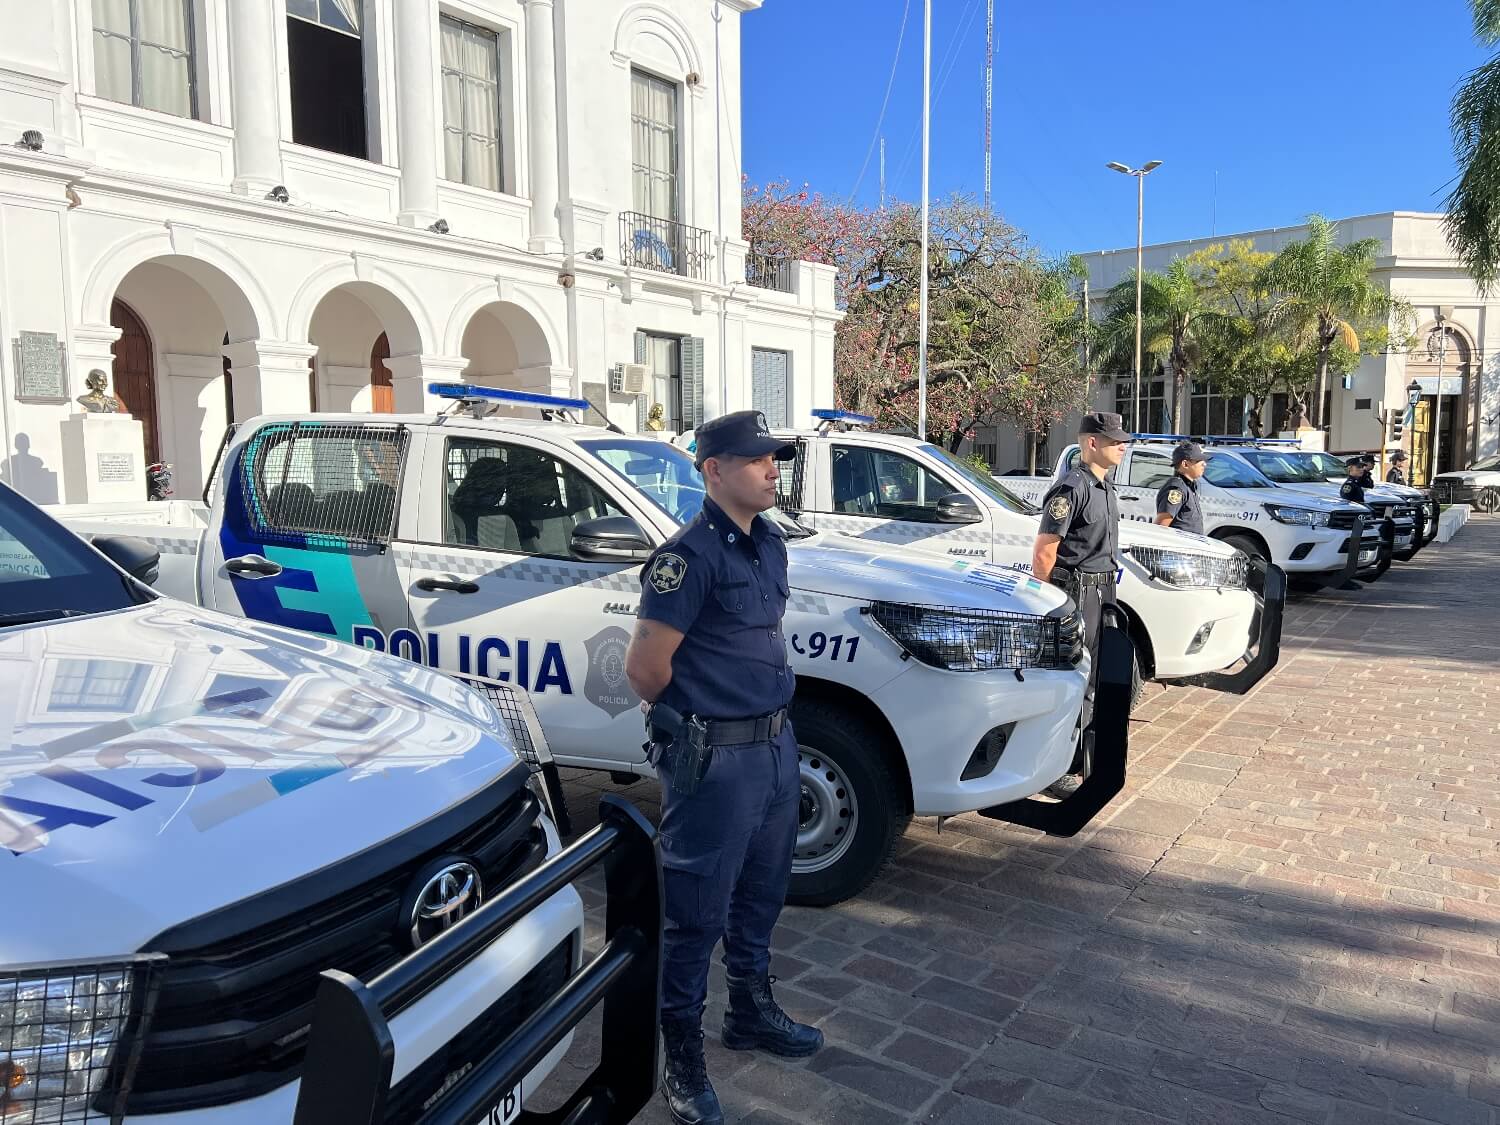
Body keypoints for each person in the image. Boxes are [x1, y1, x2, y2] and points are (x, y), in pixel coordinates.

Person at [624, 410, 822, 1125]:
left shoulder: (768, 544)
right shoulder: (688, 556)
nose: (773, 468)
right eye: (757, 458)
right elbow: (646, 669)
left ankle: (749, 1009)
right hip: (717, 759)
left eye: (775, 457)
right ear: (713, 469)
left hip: (773, 748)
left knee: (762, 894)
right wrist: (697, 726)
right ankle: (681, 1054)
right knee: (695, 913)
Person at [1032, 412, 1130, 798]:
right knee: (1069, 681)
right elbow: (1044, 553)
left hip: (1103, 594)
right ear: (1092, 443)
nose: (1123, 446)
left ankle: (1078, 760)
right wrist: (1045, 608)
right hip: (1076, 594)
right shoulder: (1072, 488)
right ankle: (1051, 766)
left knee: (1094, 681)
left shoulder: (1105, 488)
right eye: (1115, 440)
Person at [1154, 441, 1208, 535]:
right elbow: (1161, 526)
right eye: (1199, 461)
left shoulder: (1188, 486)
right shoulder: (1176, 489)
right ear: (1185, 464)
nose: (1204, 464)